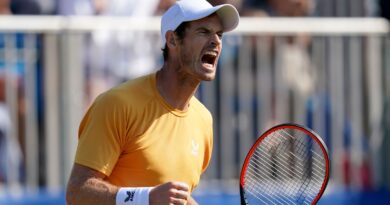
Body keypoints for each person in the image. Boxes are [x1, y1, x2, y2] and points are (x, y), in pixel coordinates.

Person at [65, 0, 240, 204]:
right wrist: (145, 198)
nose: (216, 42)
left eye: (219, 34)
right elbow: (77, 191)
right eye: (203, 32)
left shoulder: (203, 120)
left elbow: (176, 197)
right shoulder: (117, 104)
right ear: (172, 40)